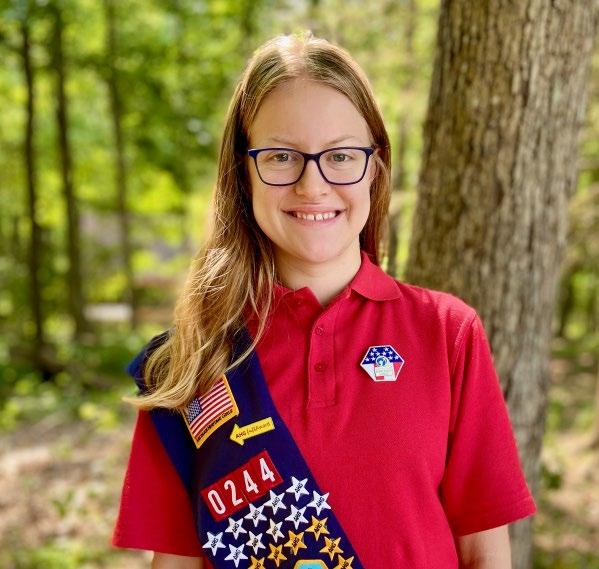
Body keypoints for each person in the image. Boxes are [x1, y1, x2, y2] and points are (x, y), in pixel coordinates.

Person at [112, 31, 537, 569]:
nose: (312, 186)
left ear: (375, 166)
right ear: (243, 173)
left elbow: (485, 552)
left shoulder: (447, 331)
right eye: (281, 156)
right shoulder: (191, 359)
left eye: (340, 155)